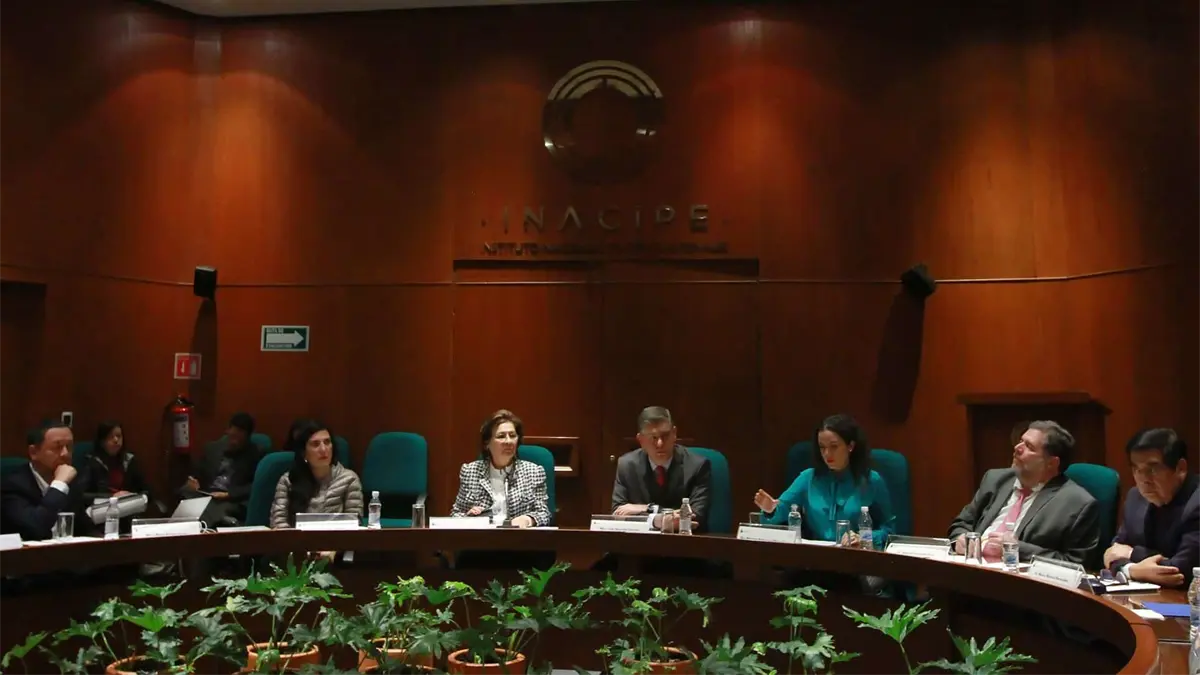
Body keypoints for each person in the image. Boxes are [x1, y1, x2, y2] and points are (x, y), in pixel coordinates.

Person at [948, 420, 1099, 566]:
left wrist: (1018, 550)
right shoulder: (995, 479)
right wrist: (960, 538)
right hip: (971, 568)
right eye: (1021, 441)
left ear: (1051, 463)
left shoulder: (1077, 504)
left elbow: (1075, 563)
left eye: (1029, 446)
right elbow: (962, 523)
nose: (1017, 448)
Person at [754, 414, 893, 548]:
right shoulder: (808, 478)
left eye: (834, 446)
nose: (827, 454)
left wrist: (864, 537)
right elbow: (780, 510)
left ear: (850, 446)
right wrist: (770, 509)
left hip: (856, 556)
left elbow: (889, 530)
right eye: (822, 447)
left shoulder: (871, 480)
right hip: (817, 557)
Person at [1104, 428, 1200, 588]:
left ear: (1180, 468)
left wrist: (1132, 555)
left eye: (1152, 469)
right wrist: (1130, 569)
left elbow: (1182, 571)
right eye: (1137, 469)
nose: (1144, 479)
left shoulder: (1196, 503)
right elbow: (1114, 552)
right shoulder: (1135, 497)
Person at [271, 420, 363, 563]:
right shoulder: (288, 481)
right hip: (296, 556)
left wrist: (333, 549)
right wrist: (300, 550)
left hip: (335, 555)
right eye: (315, 444)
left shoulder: (349, 479)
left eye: (327, 442)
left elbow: (353, 523)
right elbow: (279, 522)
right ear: (303, 453)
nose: (323, 449)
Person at [612, 406, 711, 532]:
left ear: (674, 433)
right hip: (639, 541)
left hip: (682, 541)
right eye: (653, 437)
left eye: (665, 435)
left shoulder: (697, 466)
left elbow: (695, 516)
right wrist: (667, 517)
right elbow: (618, 514)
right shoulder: (627, 465)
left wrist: (649, 509)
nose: (660, 443)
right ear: (641, 440)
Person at [450, 410, 550, 528]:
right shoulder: (470, 472)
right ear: (487, 443)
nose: (508, 441)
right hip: (482, 537)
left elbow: (543, 513)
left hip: (519, 537)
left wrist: (528, 519)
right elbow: (456, 514)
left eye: (512, 436)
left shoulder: (534, 472)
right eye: (501, 436)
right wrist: (468, 518)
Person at [0, 424, 90, 540]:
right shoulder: (12, 486)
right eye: (57, 447)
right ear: (33, 452)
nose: (65, 454)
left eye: (69, 447)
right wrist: (59, 485)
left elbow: (85, 528)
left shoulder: (70, 482)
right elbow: (36, 528)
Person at [179, 412, 263, 527]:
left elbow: (256, 485)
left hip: (230, 499)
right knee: (186, 500)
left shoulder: (255, 454)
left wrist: (228, 494)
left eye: (239, 438)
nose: (234, 442)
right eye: (232, 436)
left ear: (247, 437)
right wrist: (193, 480)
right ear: (228, 431)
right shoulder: (212, 449)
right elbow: (196, 472)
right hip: (207, 494)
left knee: (210, 512)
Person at [79, 421, 151, 508]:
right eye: (110, 437)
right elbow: (81, 495)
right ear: (102, 441)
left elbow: (147, 491)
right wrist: (112, 496)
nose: (116, 440)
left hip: (128, 508)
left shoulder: (130, 460)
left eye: (119, 436)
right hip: (102, 508)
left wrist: (132, 496)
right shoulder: (92, 462)